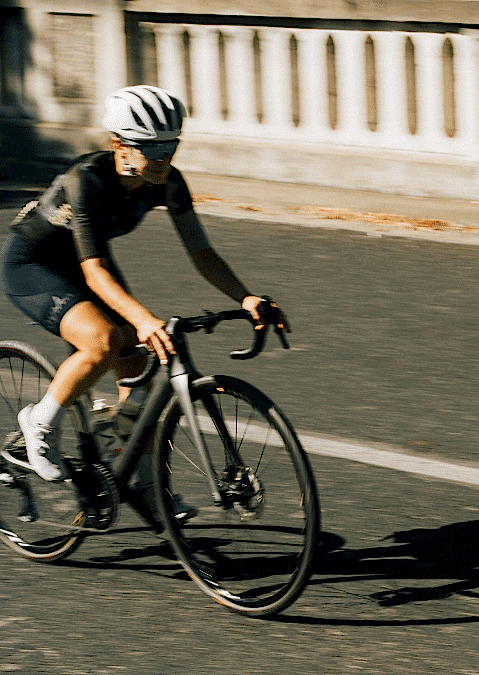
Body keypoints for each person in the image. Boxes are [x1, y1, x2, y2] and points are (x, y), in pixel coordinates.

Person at [1, 85, 289, 517]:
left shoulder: (167, 182)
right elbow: (94, 270)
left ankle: (147, 486)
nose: (162, 157)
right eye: (150, 147)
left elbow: (203, 253)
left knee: (144, 379)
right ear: (117, 143)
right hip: (34, 265)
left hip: (88, 263)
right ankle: (38, 422)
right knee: (103, 340)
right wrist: (144, 319)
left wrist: (245, 296)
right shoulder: (86, 181)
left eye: (170, 145)